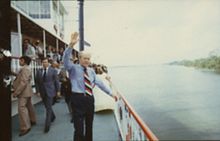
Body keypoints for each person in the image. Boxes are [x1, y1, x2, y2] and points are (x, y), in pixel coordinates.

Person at [63, 32, 117, 141]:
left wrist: (111, 94)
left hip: (89, 99)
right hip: (77, 99)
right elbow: (65, 61)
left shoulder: (91, 71)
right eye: (85, 58)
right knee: (78, 128)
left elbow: (100, 84)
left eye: (88, 58)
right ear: (79, 58)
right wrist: (70, 46)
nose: (87, 60)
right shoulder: (73, 68)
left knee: (89, 126)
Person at [12, 56, 37, 136]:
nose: (19, 62)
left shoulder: (25, 69)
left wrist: (16, 92)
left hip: (23, 92)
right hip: (27, 92)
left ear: (24, 61)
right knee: (29, 106)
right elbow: (22, 77)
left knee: (21, 108)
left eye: (20, 60)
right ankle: (32, 120)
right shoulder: (26, 68)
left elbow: (23, 82)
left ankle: (25, 127)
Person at [35, 57, 60, 133]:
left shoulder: (53, 71)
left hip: (50, 91)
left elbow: (56, 81)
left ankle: (47, 126)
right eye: (43, 62)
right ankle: (53, 116)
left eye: (46, 62)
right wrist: (38, 91)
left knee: (48, 108)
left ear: (48, 63)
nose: (44, 63)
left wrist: (58, 91)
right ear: (41, 63)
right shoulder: (39, 71)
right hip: (42, 92)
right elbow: (37, 82)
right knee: (47, 106)